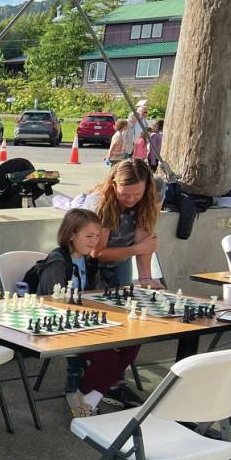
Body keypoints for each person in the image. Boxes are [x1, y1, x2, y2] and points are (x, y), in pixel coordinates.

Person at [33, 209, 143, 416]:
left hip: (87, 322)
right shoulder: (57, 262)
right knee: (109, 357)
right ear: (72, 234)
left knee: (132, 341)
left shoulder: (90, 261)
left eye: (98, 236)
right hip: (61, 325)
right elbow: (52, 303)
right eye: (89, 236)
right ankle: (81, 395)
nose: (94, 242)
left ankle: (87, 396)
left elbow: (96, 296)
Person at [84, 158, 161, 289]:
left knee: (124, 301)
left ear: (147, 187)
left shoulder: (152, 195)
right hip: (90, 265)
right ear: (114, 186)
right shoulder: (99, 203)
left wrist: (146, 278)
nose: (131, 199)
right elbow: (96, 253)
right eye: (124, 194)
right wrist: (137, 249)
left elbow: (144, 239)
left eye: (137, 194)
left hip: (122, 261)